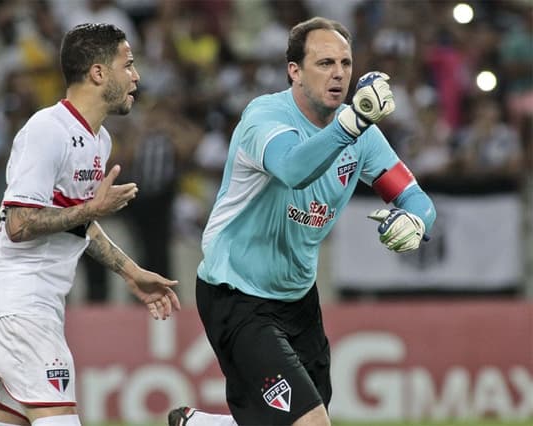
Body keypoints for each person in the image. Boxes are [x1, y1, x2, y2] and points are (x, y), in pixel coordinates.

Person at [168, 16, 436, 426]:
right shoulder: (265, 118)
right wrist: (352, 125)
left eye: (346, 64)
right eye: (325, 63)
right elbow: (293, 169)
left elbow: (413, 195)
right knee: (310, 422)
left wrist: (416, 221)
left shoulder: (360, 134)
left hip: (298, 300)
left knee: (288, 420)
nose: (339, 74)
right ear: (294, 71)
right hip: (236, 294)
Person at [0, 23, 181, 426]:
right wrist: (89, 210)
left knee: (9, 422)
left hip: (31, 300)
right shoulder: (47, 130)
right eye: (127, 65)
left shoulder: (100, 140)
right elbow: (19, 223)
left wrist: (130, 271)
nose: (137, 76)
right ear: (98, 73)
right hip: (16, 300)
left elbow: (78, 220)